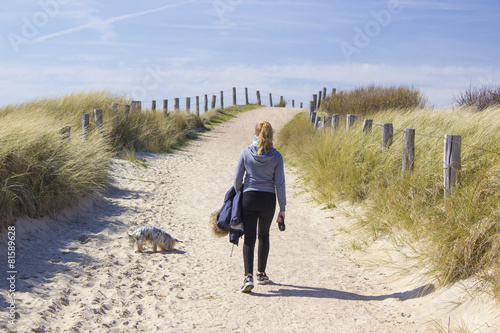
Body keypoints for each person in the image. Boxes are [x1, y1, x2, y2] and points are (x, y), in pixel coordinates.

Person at [233, 121, 286, 293]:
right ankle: (261, 273)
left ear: (256, 133)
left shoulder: (246, 152)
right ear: (271, 135)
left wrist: (239, 194)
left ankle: (248, 277)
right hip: (268, 200)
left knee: (249, 238)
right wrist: (282, 208)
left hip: (249, 197)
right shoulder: (276, 156)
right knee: (263, 235)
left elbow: (237, 179)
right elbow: (280, 184)